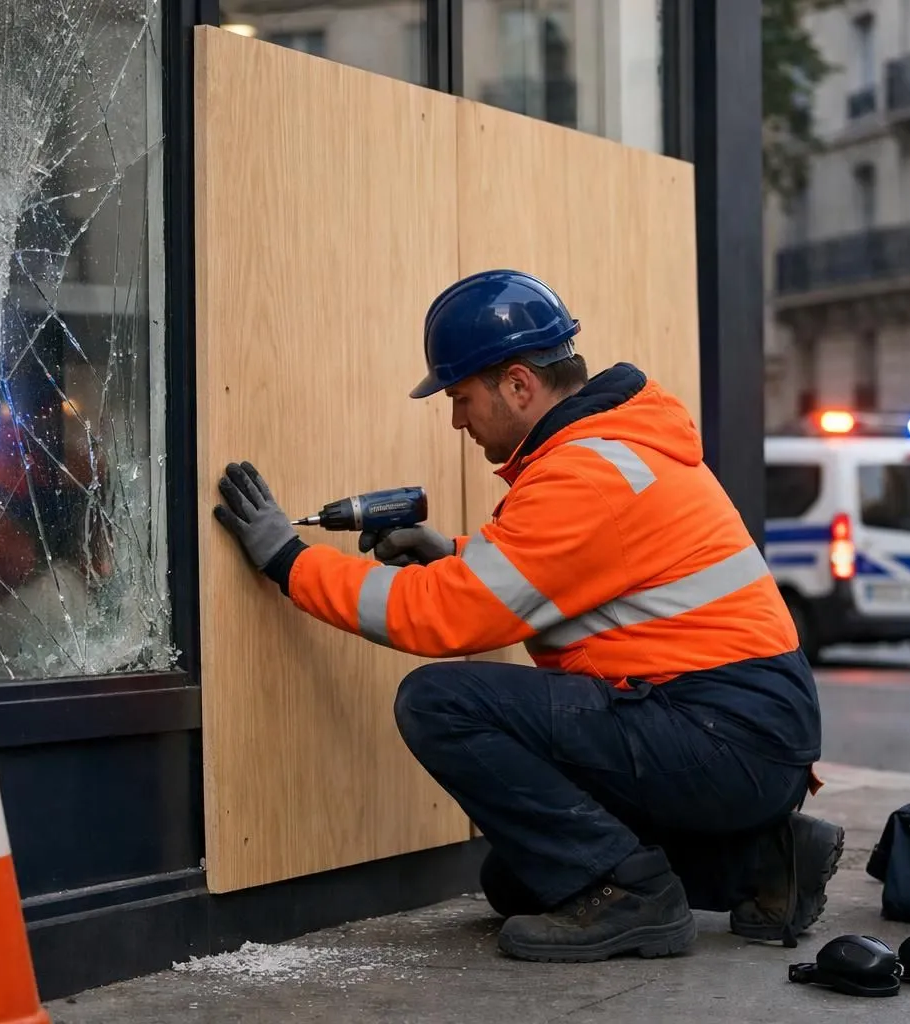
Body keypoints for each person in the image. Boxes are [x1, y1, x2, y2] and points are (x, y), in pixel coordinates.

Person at [213, 268, 843, 964]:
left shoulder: (586, 471)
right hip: (735, 731)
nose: (456, 419)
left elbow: (444, 619)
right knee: (518, 878)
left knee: (441, 702)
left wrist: (289, 561)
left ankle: (636, 899)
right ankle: (763, 862)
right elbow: (563, 570)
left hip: (725, 734)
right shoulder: (607, 449)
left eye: (460, 396)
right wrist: (448, 553)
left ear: (518, 385)